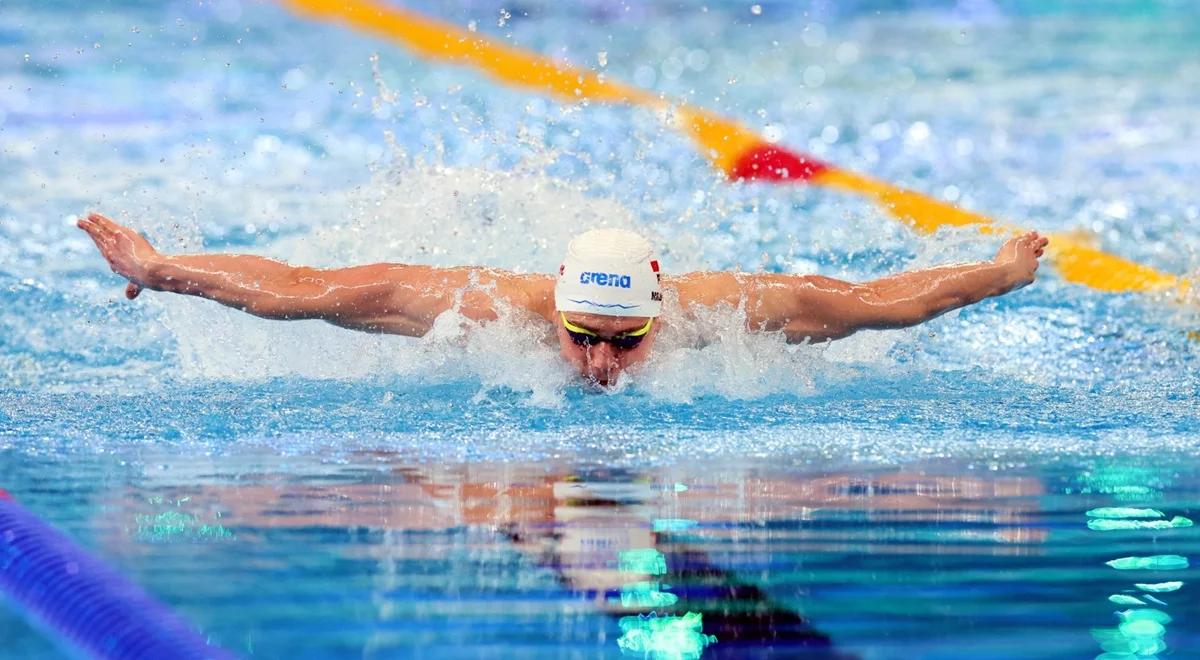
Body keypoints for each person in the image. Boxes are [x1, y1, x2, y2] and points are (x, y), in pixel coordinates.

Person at [77, 212, 1047, 386]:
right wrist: (165, 271)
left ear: (662, 312)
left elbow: (883, 302)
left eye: (626, 344)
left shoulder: (731, 310)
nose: (599, 364)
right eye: (585, 337)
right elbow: (305, 292)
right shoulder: (490, 308)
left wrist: (1000, 274)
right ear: (558, 308)